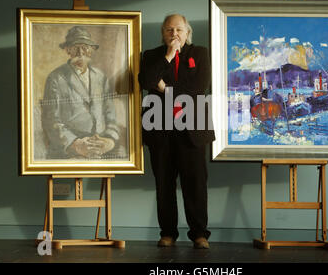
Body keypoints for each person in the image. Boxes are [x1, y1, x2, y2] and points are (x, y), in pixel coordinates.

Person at [138, 14, 215, 249]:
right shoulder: (152, 56)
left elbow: (198, 90)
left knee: (196, 185)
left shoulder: (200, 53)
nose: (174, 34)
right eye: (169, 30)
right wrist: (169, 57)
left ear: (187, 32)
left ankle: (199, 234)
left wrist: (164, 88)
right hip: (159, 130)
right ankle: (168, 233)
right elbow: (145, 81)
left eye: (179, 29)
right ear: (163, 33)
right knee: (164, 184)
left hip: (192, 131)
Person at [41, 26, 120, 159]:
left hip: (100, 148)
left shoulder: (100, 77)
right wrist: (75, 144)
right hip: (67, 151)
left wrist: (110, 140)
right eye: (75, 47)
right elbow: (50, 121)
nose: (80, 53)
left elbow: (111, 115)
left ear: (91, 50)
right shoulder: (56, 78)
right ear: (67, 50)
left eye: (85, 47)